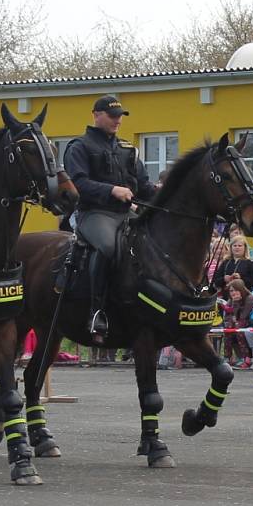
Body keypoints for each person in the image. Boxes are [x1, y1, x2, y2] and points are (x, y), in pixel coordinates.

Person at [63, 95, 155, 341]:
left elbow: (144, 186)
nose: (117, 121)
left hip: (126, 214)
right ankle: (96, 311)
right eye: (112, 116)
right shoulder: (79, 147)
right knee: (107, 247)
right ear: (96, 115)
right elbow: (78, 183)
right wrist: (112, 190)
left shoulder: (127, 149)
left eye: (120, 117)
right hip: (93, 213)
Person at [221, 278, 253, 368]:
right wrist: (234, 303)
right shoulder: (231, 299)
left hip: (250, 322)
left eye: (236, 290)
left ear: (241, 289)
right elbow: (227, 316)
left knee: (239, 329)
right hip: (235, 323)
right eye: (231, 291)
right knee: (228, 330)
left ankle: (246, 358)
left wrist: (236, 303)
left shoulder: (250, 298)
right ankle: (227, 357)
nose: (233, 293)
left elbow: (243, 316)